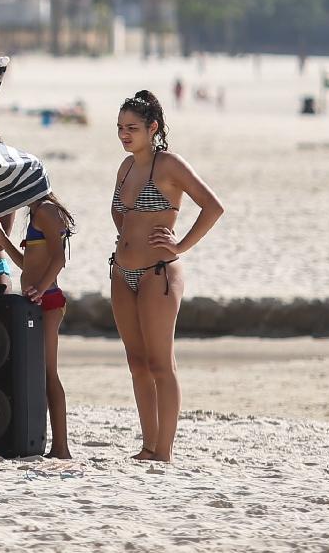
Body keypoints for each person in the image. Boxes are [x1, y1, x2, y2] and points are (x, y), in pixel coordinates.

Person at [110, 89, 225, 463]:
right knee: (137, 363)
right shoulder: (125, 167)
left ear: (153, 128)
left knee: (161, 363)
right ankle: (148, 446)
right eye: (120, 128)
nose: (125, 135)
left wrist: (180, 246)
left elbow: (213, 206)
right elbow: (122, 218)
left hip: (158, 274)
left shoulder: (169, 165)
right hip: (121, 272)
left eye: (132, 128)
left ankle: (165, 451)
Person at [17, 194, 76, 459]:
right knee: (40, 375)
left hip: (48, 301)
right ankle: (51, 443)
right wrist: (3, 242)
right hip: (38, 299)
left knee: (49, 374)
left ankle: (61, 447)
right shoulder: (37, 211)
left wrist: (39, 290)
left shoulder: (46, 210)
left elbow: (59, 259)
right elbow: (28, 265)